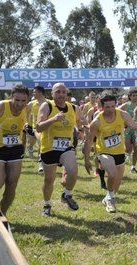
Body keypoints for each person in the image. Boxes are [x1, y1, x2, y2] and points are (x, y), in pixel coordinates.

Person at [84, 92, 137, 213]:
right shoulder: (97, 121)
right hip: (104, 152)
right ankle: (111, 198)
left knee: (117, 181)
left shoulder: (123, 115)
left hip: (119, 152)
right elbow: (89, 141)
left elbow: (136, 128)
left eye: (112, 106)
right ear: (102, 106)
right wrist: (86, 160)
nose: (110, 110)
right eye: (107, 107)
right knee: (113, 174)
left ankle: (108, 197)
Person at [36, 83, 83, 217]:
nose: (61, 95)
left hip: (66, 147)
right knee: (49, 180)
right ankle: (47, 204)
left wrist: (79, 131)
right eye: (58, 92)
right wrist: (53, 119)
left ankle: (67, 195)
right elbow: (38, 127)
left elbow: (77, 121)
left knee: (73, 171)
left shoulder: (73, 108)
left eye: (64, 92)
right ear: (52, 93)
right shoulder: (47, 106)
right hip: (49, 148)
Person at [0, 85, 29, 215]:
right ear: (11, 98)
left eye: (23, 101)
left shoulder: (28, 109)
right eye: (17, 100)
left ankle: (2, 215)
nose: (20, 104)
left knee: (12, 184)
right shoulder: (0, 106)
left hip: (16, 149)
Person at [25, 86, 48, 173]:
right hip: (36, 127)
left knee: (42, 143)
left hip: (47, 128)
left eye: (34, 92)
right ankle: (30, 149)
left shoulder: (49, 103)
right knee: (33, 142)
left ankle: (41, 163)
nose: (33, 94)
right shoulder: (31, 104)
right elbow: (25, 112)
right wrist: (26, 122)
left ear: (40, 93)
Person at [119, 89, 137, 174]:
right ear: (130, 97)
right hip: (127, 129)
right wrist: (124, 126)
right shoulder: (125, 105)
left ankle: (133, 167)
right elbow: (118, 114)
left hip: (136, 130)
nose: (135, 97)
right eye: (133, 96)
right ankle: (127, 155)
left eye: (136, 96)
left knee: (136, 149)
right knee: (128, 149)